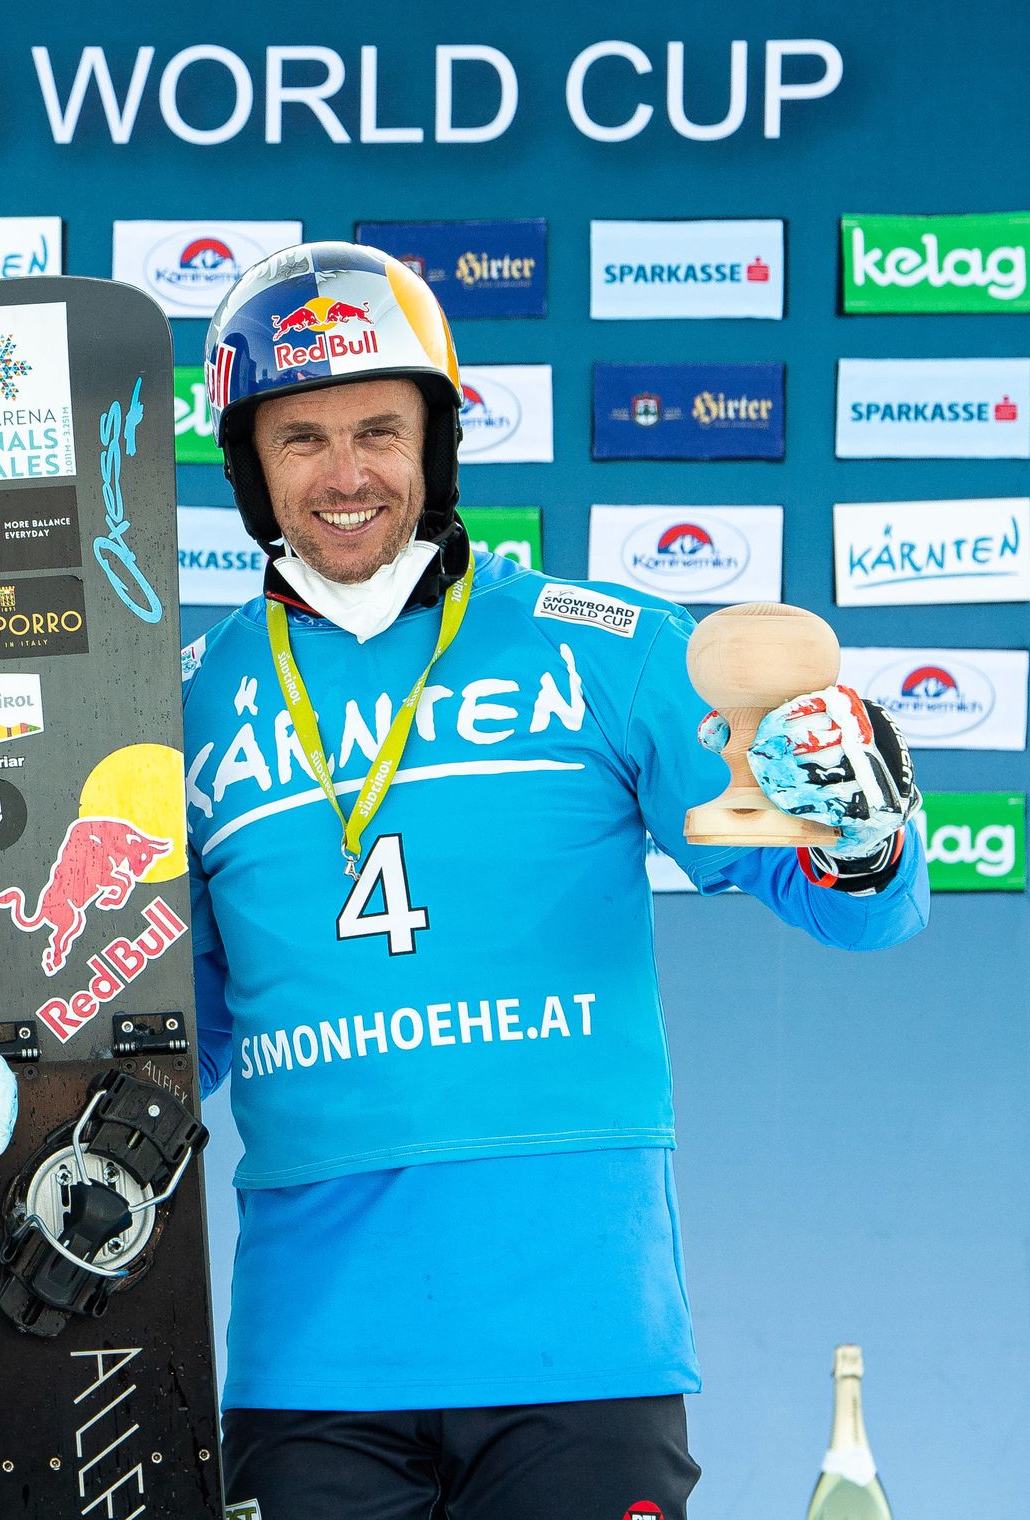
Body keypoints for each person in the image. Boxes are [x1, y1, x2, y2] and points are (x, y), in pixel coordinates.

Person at [177, 244, 927, 1518]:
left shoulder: (613, 647)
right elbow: (173, 1028)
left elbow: (859, 909)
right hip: (314, 1359)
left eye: (379, 430)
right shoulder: (184, 702)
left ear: (438, 446)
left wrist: (863, 821)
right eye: (302, 438)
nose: (347, 475)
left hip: (581, 1342)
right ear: (252, 467)